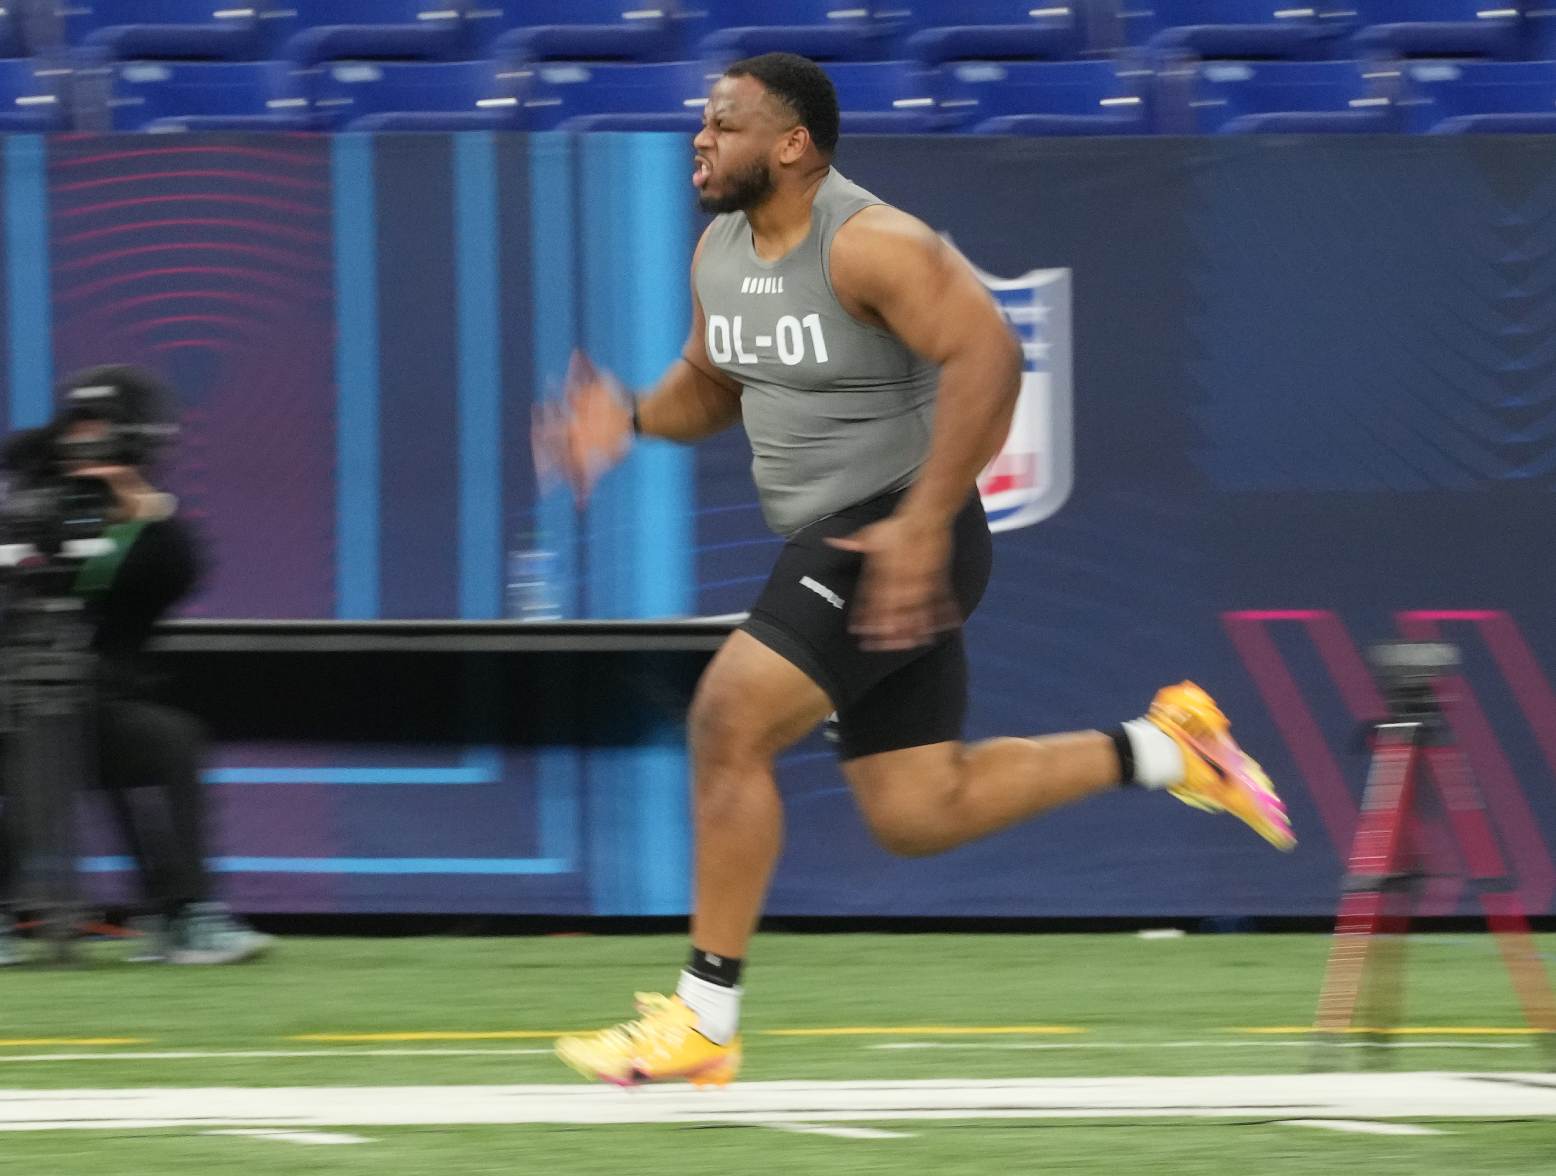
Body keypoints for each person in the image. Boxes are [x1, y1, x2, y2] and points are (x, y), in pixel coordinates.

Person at [541, 53, 1294, 1088]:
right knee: (916, 810)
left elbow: (989, 355)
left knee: (726, 717)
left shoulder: (873, 242)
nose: (699, 140)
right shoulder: (719, 249)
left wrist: (921, 523)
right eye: (701, 125)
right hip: (852, 539)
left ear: (792, 144)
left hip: (895, 528)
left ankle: (703, 1019)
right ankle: (1166, 750)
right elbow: (713, 385)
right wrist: (625, 414)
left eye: (723, 124)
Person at [0, 365, 271, 967]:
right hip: (14, 697)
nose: (88, 445)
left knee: (170, 739)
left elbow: (177, 575)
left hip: (94, 708)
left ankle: (185, 915)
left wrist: (139, 508)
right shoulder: (31, 487)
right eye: (80, 429)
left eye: (105, 432)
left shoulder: (152, 533)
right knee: (23, 745)